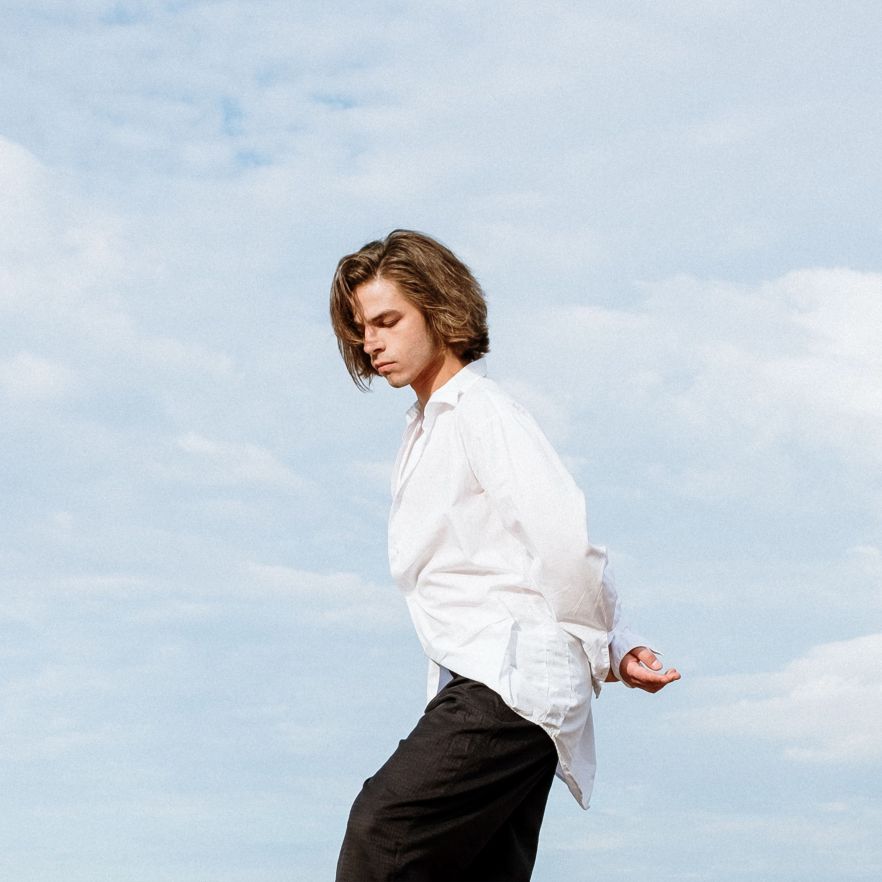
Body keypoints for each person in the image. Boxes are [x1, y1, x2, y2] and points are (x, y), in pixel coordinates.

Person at [330, 230, 680, 881]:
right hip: (497, 681)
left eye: (387, 321)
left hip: (511, 683)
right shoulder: (428, 427)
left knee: (383, 829)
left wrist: (613, 644)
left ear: (438, 310)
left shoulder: (482, 413)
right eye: (361, 328)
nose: (370, 342)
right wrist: (616, 645)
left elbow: (564, 541)